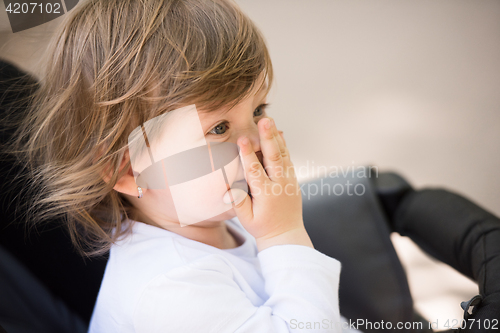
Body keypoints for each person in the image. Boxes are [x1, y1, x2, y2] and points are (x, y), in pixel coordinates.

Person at [8, 0, 361, 332]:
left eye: (258, 111)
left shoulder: (220, 214)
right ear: (127, 170)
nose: (255, 142)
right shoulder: (169, 287)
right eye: (219, 129)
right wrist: (283, 237)